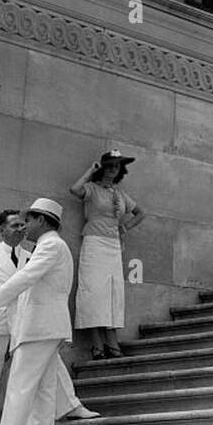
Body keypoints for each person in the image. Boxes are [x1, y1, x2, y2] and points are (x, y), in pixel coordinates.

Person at [0, 210, 99, 425]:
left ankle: (72, 405)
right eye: (15, 225)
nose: (21, 229)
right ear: (1, 230)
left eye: (22, 224)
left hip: (24, 322)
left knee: (51, 361)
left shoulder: (33, 255)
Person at [70, 150, 144, 359]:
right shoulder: (92, 189)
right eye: (109, 165)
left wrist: (125, 227)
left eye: (117, 166)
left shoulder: (119, 194)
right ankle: (97, 345)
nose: (113, 169)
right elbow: (74, 190)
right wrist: (90, 171)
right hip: (94, 243)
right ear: (103, 167)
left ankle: (112, 341)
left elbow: (141, 213)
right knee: (93, 291)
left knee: (113, 292)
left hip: (113, 246)